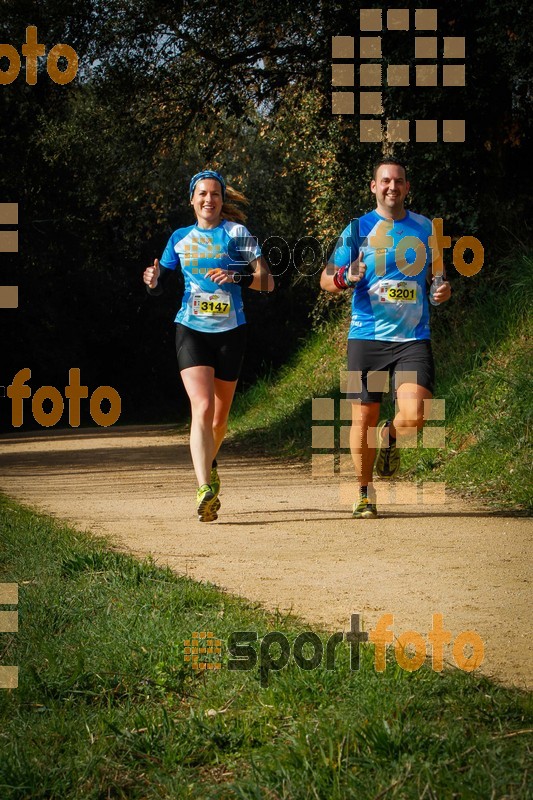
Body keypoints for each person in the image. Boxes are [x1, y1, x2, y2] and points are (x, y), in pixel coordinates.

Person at [320, 157, 451, 519]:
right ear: (374, 187)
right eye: (385, 181)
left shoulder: (426, 228)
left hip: (412, 340)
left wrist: (441, 290)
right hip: (366, 338)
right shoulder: (358, 229)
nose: (392, 186)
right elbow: (326, 280)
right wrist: (347, 275)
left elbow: (438, 278)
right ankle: (363, 492)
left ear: (407, 187)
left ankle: (389, 436)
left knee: (416, 413)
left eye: (399, 181)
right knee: (362, 417)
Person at [143, 169, 274, 521]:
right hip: (191, 330)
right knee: (201, 407)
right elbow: (160, 282)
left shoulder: (237, 234)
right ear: (192, 199)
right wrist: (153, 281)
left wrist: (238, 276)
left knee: (219, 419)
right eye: (202, 194)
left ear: (222, 200)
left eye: (215, 194)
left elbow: (267, 281)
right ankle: (204, 488)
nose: (209, 200)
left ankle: (210, 463)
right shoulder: (180, 238)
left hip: (231, 332)